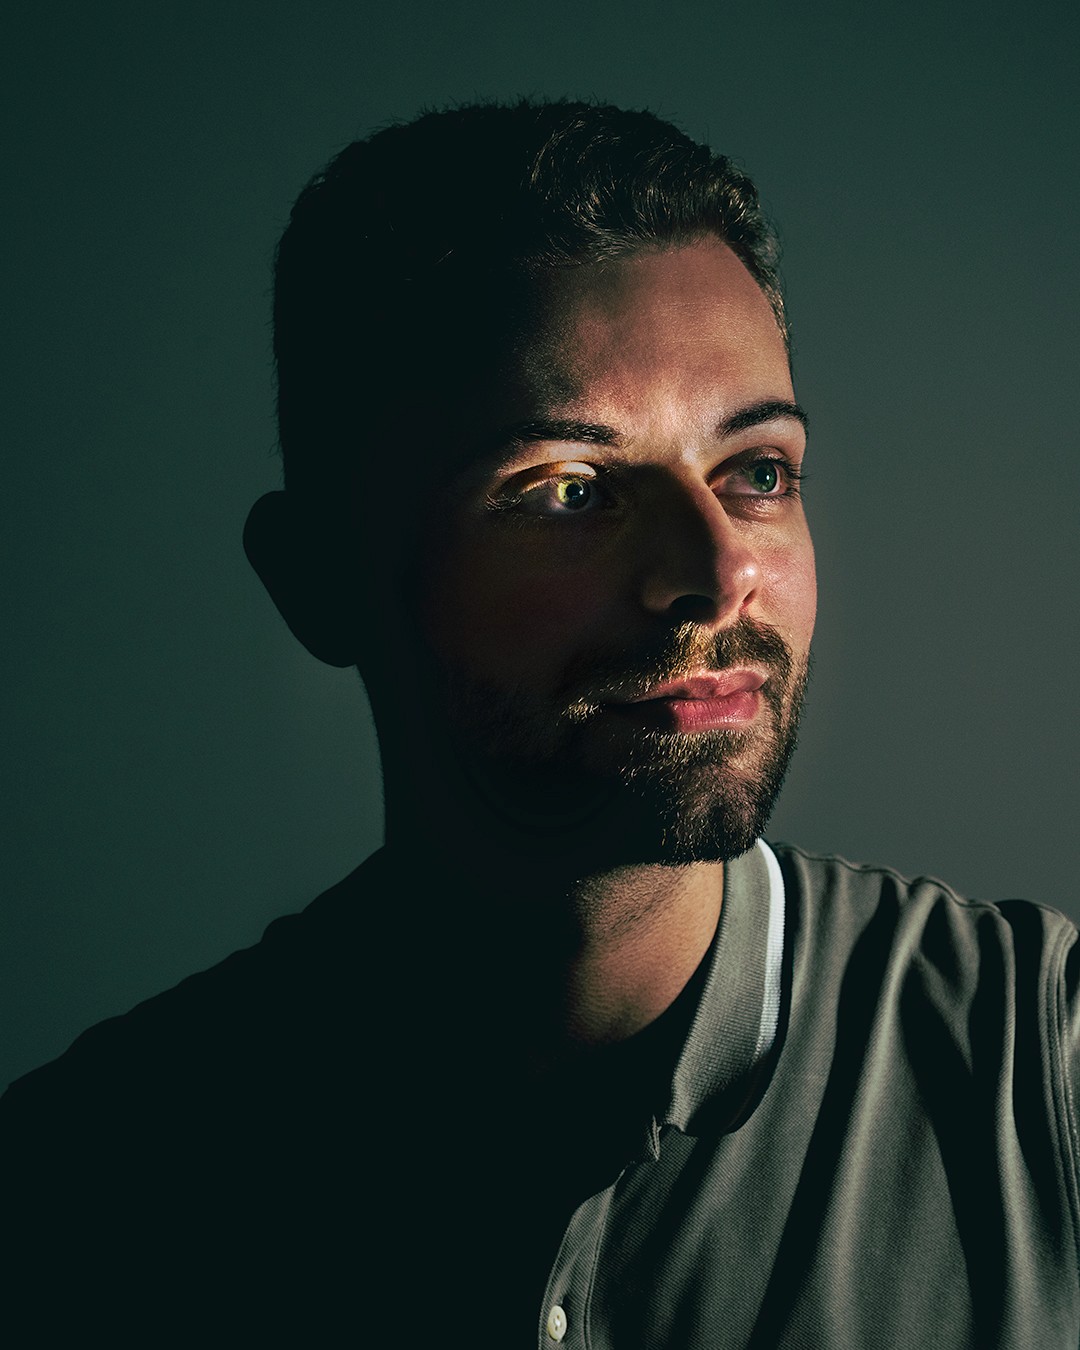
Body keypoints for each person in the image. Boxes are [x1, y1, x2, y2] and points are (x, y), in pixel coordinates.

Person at [2, 98, 1078, 1348]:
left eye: (758, 472)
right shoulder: (78, 1186)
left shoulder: (1041, 1068)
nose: (717, 569)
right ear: (323, 580)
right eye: (568, 490)